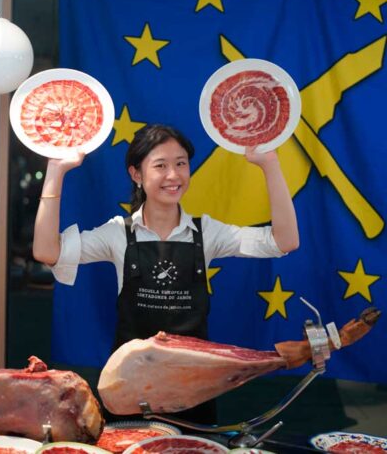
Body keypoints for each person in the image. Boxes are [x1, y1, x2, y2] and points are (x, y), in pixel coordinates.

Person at [33, 123, 299, 424]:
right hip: (128, 387)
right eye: (160, 165)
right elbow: (46, 251)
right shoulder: (118, 234)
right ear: (136, 174)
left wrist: (270, 164)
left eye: (181, 164)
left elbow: (285, 241)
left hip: (193, 387)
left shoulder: (206, 232)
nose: (173, 176)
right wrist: (55, 171)